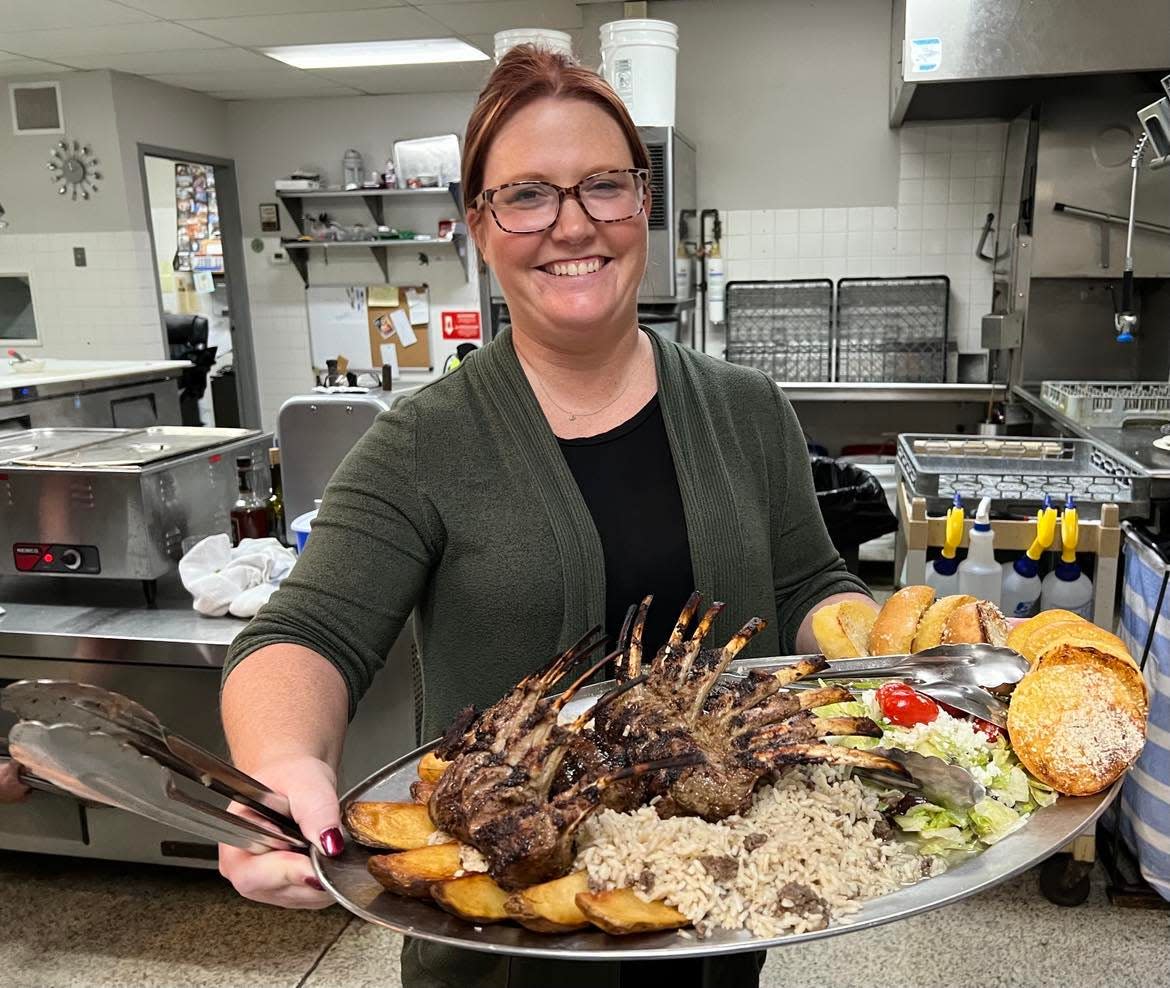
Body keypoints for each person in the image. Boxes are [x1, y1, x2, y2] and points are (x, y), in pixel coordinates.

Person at [218, 45, 878, 988]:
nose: (572, 225)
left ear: (642, 203)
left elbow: (810, 585)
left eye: (603, 186)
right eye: (526, 195)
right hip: (505, 961)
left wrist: (895, 647)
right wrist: (282, 766)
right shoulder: (424, 442)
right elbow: (305, 633)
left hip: (719, 931)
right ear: (480, 227)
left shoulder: (746, 409)